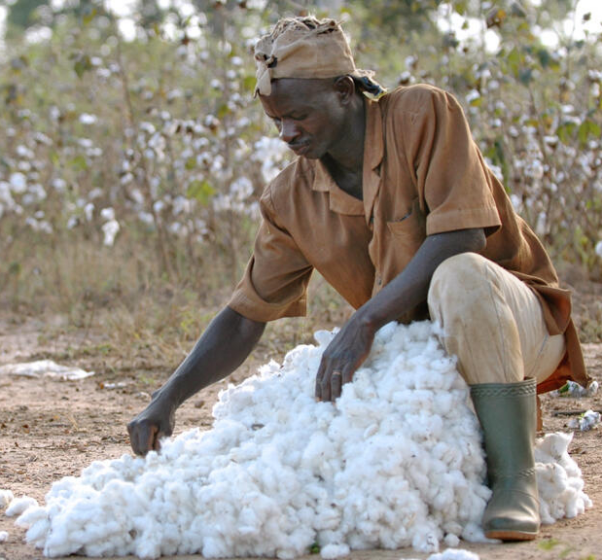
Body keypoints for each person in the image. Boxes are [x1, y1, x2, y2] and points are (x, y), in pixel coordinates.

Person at [126, 16, 589, 542]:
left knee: (459, 275)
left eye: (299, 115)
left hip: (518, 328)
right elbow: (243, 317)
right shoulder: (289, 198)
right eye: (276, 120)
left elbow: (462, 237)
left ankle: (514, 480)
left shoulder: (422, 114)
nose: (287, 134)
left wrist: (364, 322)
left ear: (345, 91)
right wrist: (165, 400)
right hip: (432, 356)